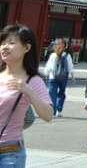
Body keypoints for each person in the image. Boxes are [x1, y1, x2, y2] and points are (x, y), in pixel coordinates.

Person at [0, 24, 54, 167]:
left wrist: (28, 91)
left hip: (9, 154)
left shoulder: (32, 81)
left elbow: (48, 115)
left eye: (11, 43)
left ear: (27, 48)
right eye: (3, 43)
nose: (5, 47)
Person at [42, 37, 72, 118]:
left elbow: (48, 66)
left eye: (58, 44)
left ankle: (55, 110)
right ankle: (57, 110)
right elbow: (70, 67)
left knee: (52, 93)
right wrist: (72, 75)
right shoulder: (67, 55)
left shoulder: (53, 55)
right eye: (57, 44)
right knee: (60, 93)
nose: (58, 46)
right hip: (63, 77)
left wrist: (46, 73)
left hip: (53, 77)